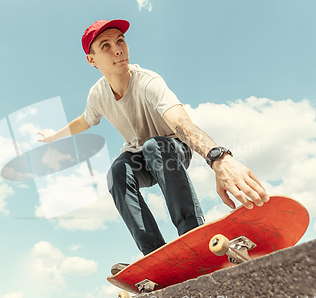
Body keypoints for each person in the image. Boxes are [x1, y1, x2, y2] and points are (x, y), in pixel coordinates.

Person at [38, 19, 269, 273]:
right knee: (117, 171)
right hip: (140, 160)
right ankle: (156, 255)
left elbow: (181, 122)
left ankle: (192, 234)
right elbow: (84, 121)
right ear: (91, 60)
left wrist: (218, 158)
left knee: (153, 147)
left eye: (120, 41)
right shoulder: (98, 95)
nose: (117, 49)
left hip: (171, 151)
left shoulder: (148, 82)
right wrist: (54, 136)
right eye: (105, 46)